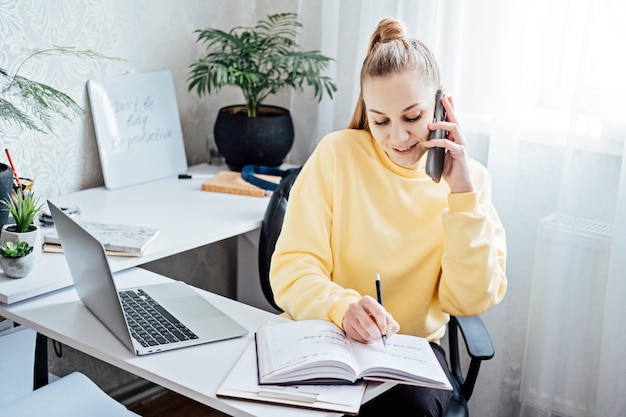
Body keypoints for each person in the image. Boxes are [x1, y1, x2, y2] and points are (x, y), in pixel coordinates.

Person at [269, 17, 507, 417]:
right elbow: (292, 270)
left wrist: (462, 197)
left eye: (412, 117)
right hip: (325, 337)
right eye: (380, 120)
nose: (397, 137)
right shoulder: (336, 155)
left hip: (410, 355)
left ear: (441, 104)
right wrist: (341, 307)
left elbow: (468, 300)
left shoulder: (471, 183)